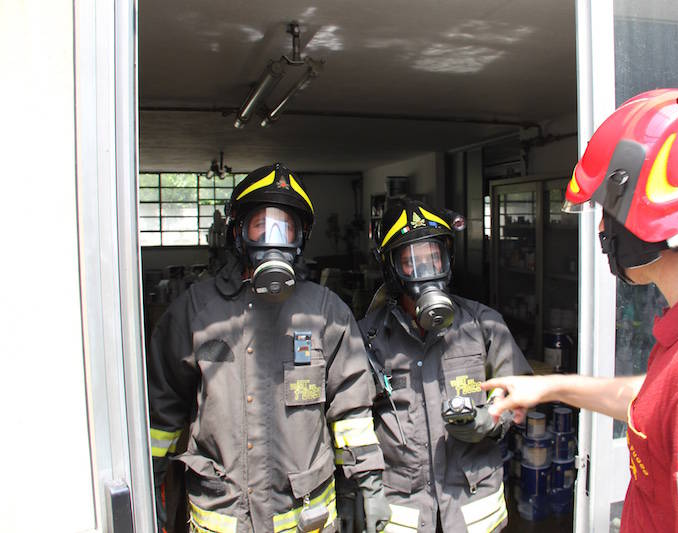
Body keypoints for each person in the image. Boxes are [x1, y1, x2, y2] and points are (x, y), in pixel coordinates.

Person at [483, 89, 678, 532]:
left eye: (604, 209)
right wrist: (548, 386)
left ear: (644, 207)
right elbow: (654, 400)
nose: (599, 228)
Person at [148, 162, 391, 533]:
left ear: (301, 237)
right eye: (261, 224)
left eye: (286, 227)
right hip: (224, 514)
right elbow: (160, 412)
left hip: (305, 516)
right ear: (237, 233)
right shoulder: (195, 311)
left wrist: (369, 487)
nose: (273, 236)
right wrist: (151, 478)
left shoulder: (326, 312)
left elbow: (352, 412)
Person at [356, 197, 532, 533]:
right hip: (403, 508)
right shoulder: (369, 338)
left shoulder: (484, 326)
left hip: (472, 507)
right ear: (392, 269)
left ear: (447, 260)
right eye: (411, 262)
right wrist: (367, 488)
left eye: (433, 259)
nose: (426, 272)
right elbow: (353, 417)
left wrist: (491, 418)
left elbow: (518, 390)